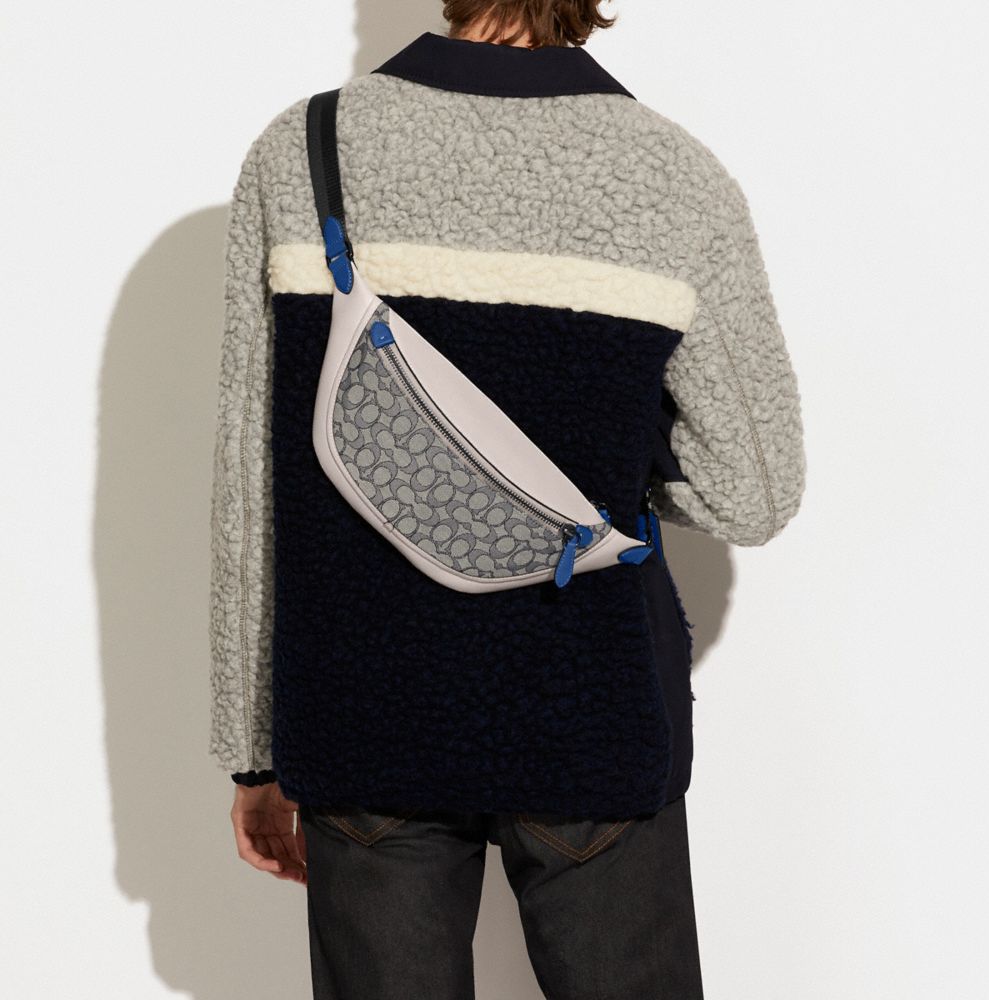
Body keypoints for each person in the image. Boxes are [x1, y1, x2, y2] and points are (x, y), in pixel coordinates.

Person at [209, 1, 806, 997]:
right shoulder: (675, 178)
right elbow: (754, 491)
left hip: (363, 714)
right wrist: (597, 448)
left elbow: (251, 484)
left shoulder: (305, 150)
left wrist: (251, 750)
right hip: (590, 712)